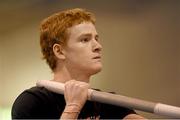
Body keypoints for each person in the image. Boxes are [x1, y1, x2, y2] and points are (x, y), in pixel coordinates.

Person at [12, 8, 145, 119]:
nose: (98, 46)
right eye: (85, 40)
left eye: (96, 38)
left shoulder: (107, 102)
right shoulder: (32, 102)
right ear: (59, 51)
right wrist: (73, 107)